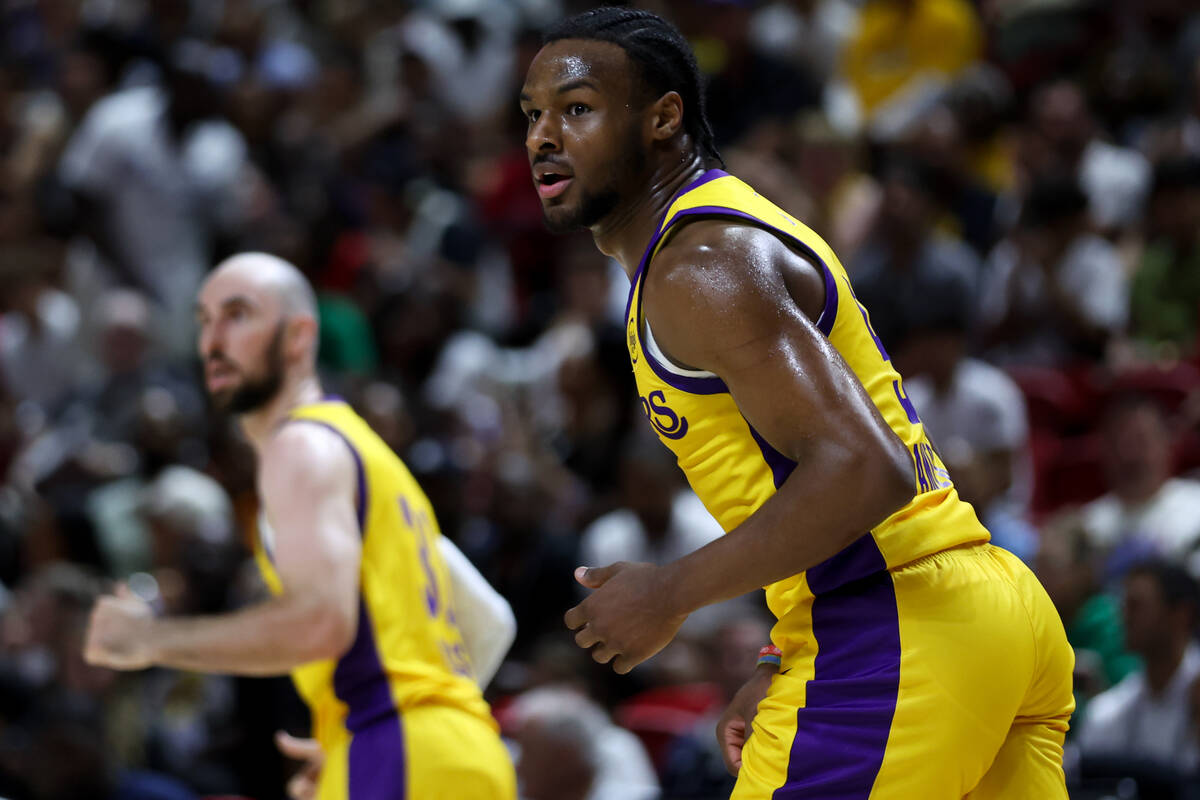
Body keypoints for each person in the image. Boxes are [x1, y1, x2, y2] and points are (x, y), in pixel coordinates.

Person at [520, 8, 1074, 798]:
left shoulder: (700, 264)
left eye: (576, 109)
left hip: (895, 628)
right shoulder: (723, 235)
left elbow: (862, 472)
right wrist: (780, 652)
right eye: (532, 114)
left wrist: (669, 593)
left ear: (662, 118)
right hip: (964, 609)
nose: (543, 135)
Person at [82, 253, 517, 799]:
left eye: (238, 315)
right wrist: (358, 739)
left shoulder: (301, 448)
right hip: (458, 752)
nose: (213, 341)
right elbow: (493, 620)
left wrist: (148, 640)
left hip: (402, 749)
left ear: (299, 336)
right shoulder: (361, 450)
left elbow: (321, 623)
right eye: (204, 321)